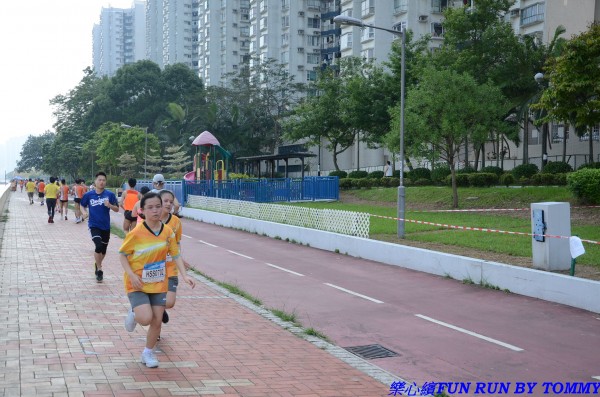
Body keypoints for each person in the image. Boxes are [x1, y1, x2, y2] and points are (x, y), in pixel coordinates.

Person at [119, 191, 195, 368]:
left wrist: (185, 275)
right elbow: (122, 255)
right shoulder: (136, 233)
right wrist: (131, 275)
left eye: (158, 206)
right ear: (142, 211)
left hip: (159, 283)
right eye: (150, 207)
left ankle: (148, 353)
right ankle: (134, 312)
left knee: (157, 320)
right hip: (137, 282)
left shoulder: (167, 231)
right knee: (145, 318)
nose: (155, 210)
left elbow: (175, 254)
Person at [80, 172, 119, 283]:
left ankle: (97, 264)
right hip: (94, 225)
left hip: (105, 226)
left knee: (103, 250)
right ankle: (100, 269)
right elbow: (82, 205)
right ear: (95, 182)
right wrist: (84, 212)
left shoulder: (110, 195)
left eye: (104, 180)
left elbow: (117, 208)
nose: (102, 182)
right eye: (99, 180)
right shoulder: (89, 195)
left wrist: (110, 205)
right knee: (98, 246)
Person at [158, 190, 183, 330]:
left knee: (169, 302)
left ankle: (160, 308)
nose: (168, 204)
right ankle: (156, 332)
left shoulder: (176, 222)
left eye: (171, 201)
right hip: (154, 267)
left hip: (171, 268)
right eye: (165, 201)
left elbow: (178, 244)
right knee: (157, 302)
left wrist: (180, 259)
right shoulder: (152, 220)